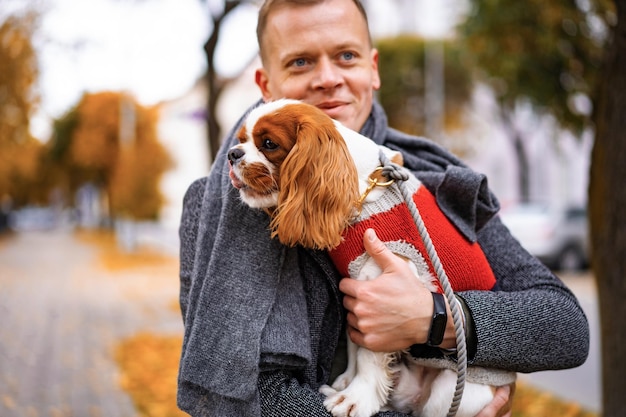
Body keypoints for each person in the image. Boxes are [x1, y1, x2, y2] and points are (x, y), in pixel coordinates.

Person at [176, 0, 590, 416]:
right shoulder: (218, 205)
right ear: (266, 84)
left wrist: (435, 318)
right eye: (301, 62)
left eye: (346, 56)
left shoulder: (437, 176)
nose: (328, 78)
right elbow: (253, 395)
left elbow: (565, 328)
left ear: (373, 68)